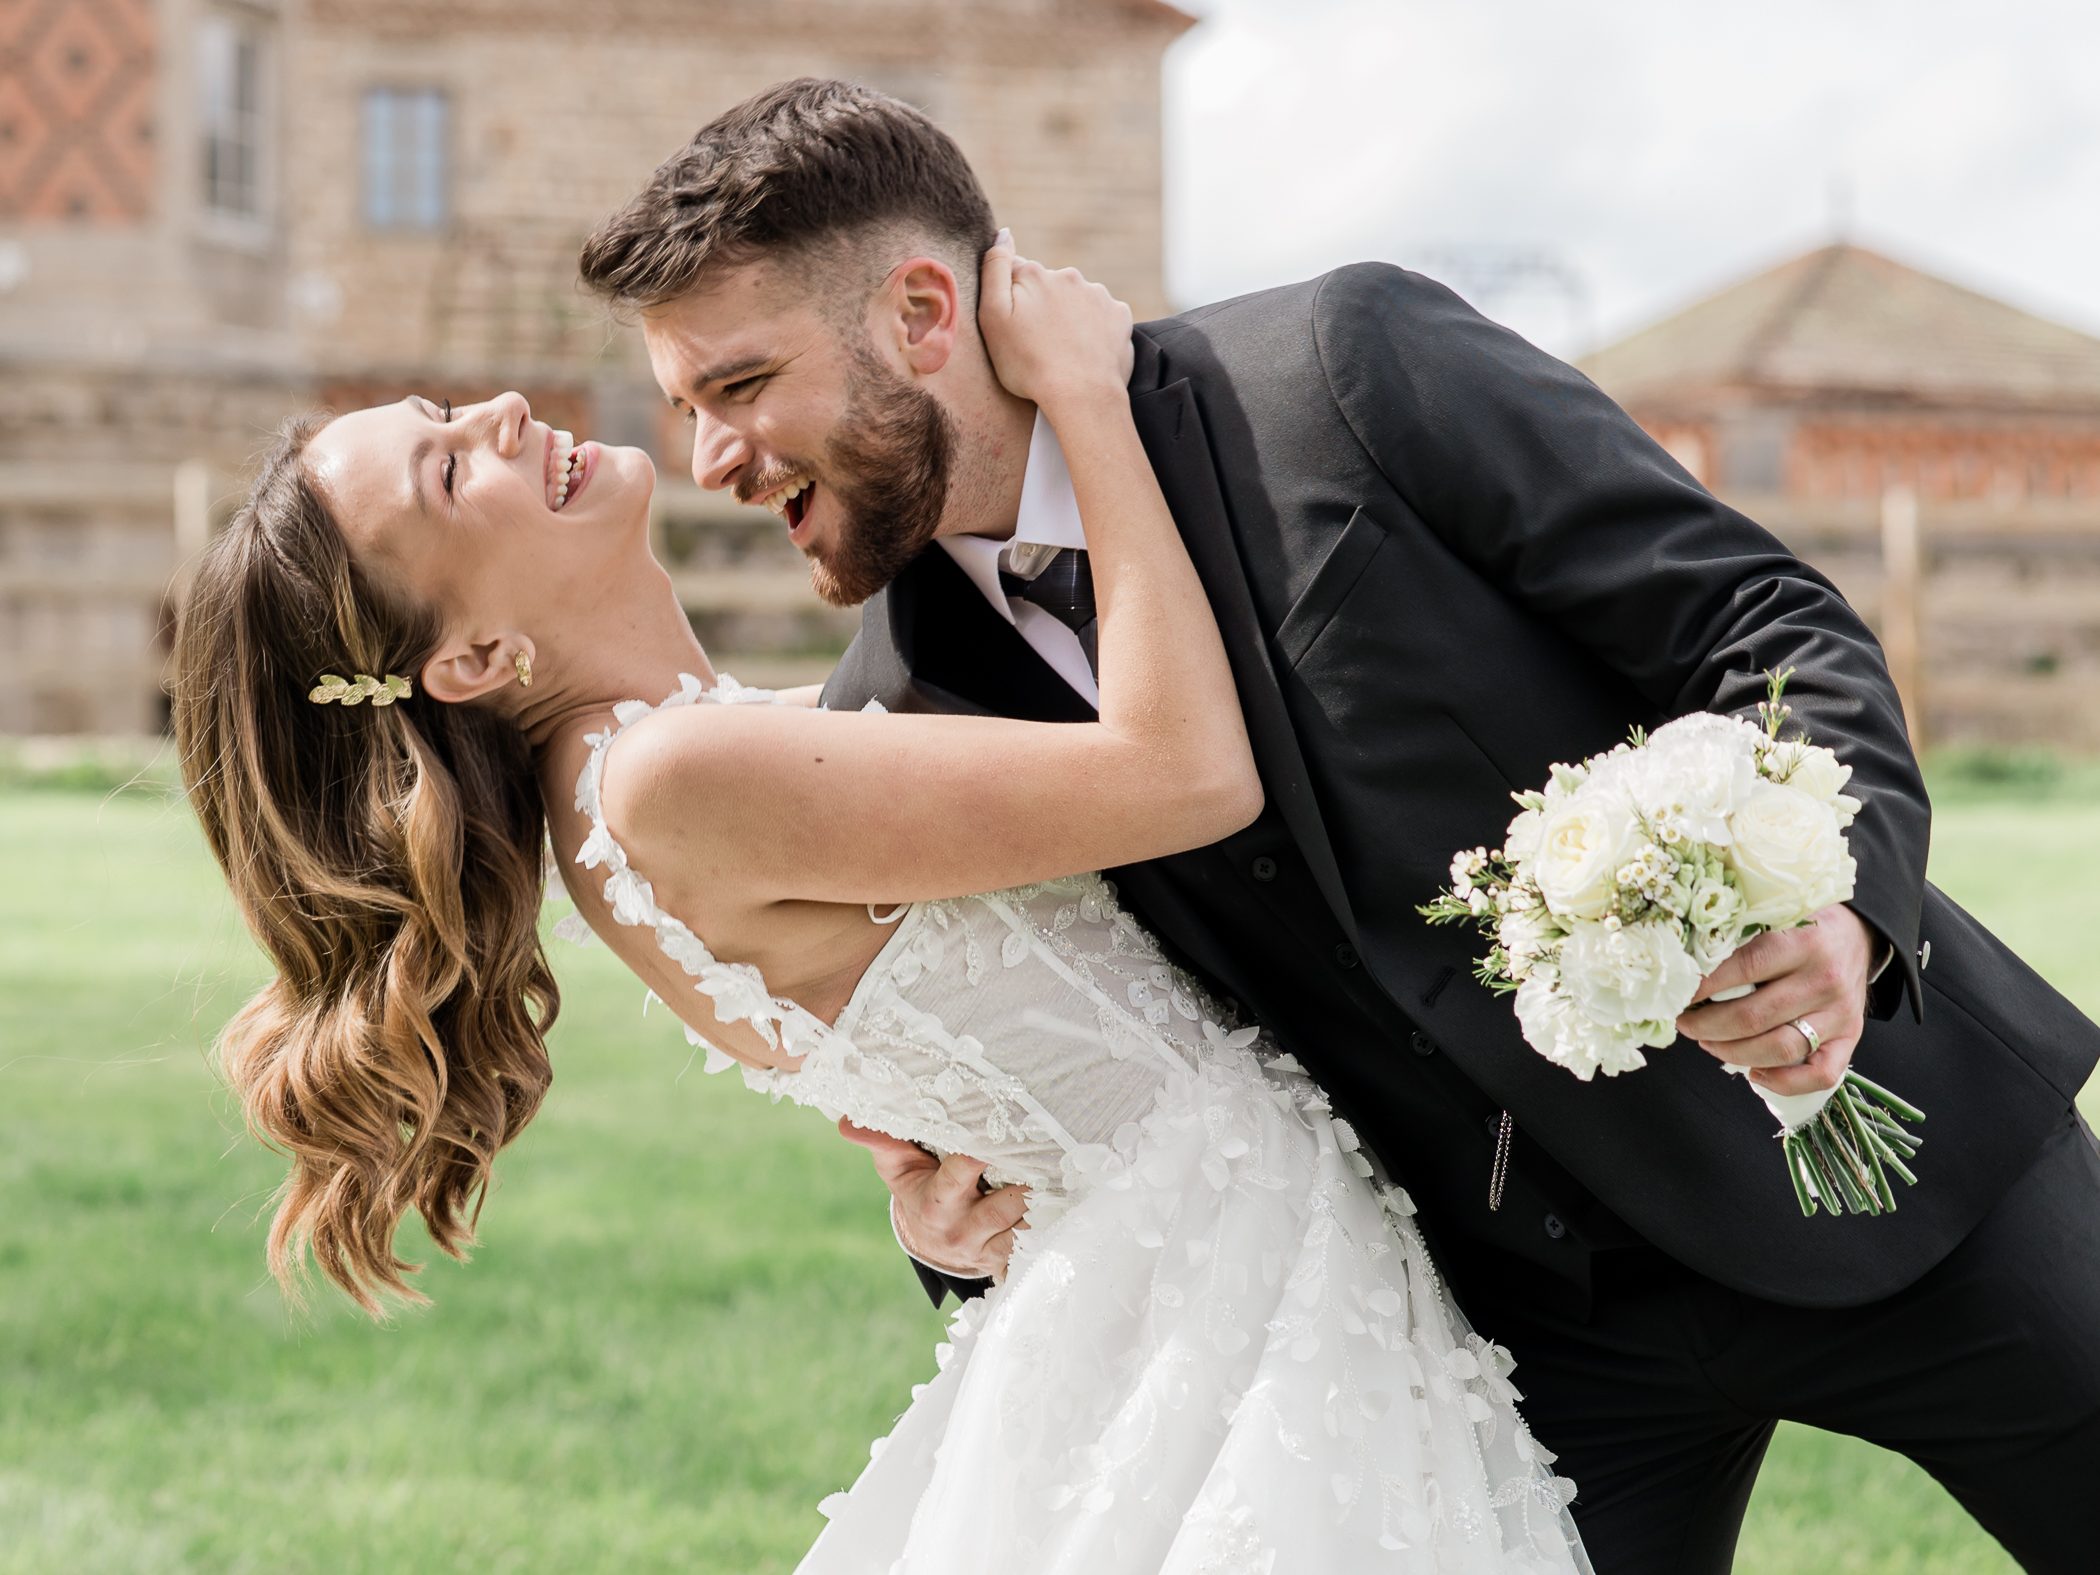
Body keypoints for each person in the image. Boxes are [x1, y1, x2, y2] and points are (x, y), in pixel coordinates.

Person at [571, 78, 2100, 1573]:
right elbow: (1052, 1055)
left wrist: (1842, 912)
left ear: (921, 314)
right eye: (688, 408)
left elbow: (1762, 627)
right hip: (1523, 1349)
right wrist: (946, 1225)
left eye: (741, 387)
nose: (712, 459)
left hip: (1885, 1170)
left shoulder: (1335, 368)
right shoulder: (892, 713)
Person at [172, 233, 1590, 1568]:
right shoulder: (669, 780)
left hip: (1188, 1267)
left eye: (444, 410)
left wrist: (927, 1199)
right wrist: (1087, 397)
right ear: (476, 658)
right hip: (1232, 1288)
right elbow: (1186, 775)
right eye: (446, 472)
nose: (495, 414)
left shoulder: (660, 776)